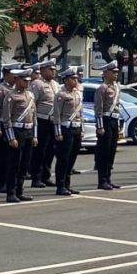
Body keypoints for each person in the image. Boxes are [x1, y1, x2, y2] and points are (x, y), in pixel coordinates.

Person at [2, 68, 37, 203]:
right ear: (16, 80)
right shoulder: (11, 96)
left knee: (24, 164)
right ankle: (11, 192)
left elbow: (34, 117)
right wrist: (11, 137)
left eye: (28, 81)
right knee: (14, 165)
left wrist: (34, 135)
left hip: (28, 131)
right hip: (17, 132)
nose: (27, 83)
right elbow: (7, 119)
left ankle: (20, 191)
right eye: (24, 80)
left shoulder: (30, 95)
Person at [52, 67, 84, 196]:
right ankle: (60, 185)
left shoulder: (77, 93)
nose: (75, 80)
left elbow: (80, 113)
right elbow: (57, 115)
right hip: (66, 128)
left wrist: (81, 129)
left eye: (76, 78)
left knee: (72, 158)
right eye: (72, 78)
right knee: (63, 158)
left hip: (76, 128)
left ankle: (67, 184)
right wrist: (58, 132)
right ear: (65, 80)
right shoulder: (61, 95)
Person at [0, 63, 21, 194]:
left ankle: (13, 183)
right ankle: (1, 182)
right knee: (2, 156)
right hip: (3, 125)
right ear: (6, 74)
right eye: (12, 74)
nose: (15, 77)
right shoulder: (0, 89)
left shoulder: (18, 89)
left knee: (14, 158)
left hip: (15, 126)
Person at [29, 60, 59, 189]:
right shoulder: (37, 84)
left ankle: (46, 176)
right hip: (41, 121)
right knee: (39, 151)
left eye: (53, 69)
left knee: (50, 151)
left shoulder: (56, 84)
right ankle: (36, 177)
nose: (53, 72)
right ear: (42, 70)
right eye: (50, 69)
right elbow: (32, 103)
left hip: (53, 121)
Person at [94, 61, 123, 190]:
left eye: (117, 72)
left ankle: (108, 178)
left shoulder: (117, 87)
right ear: (106, 73)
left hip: (114, 120)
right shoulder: (102, 88)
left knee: (112, 150)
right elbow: (98, 109)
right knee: (104, 151)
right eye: (113, 72)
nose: (116, 74)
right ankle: (102, 180)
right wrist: (100, 127)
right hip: (105, 120)